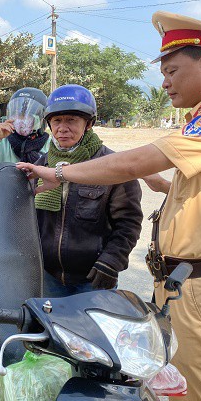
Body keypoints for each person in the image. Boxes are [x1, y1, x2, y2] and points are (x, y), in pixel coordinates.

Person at [18, 11, 201, 401]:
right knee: (185, 394)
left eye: (172, 70)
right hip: (179, 282)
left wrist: (61, 174)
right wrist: (169, 186)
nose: (165, 82)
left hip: (200, 285)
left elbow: (135, 161)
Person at [34, 84, 143, 297]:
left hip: (93, 278)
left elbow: (129, 223)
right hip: (47, 277)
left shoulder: (112, 168)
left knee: (91, 331)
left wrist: (111, 262)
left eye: (71, 120)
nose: (62, 128)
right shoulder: (40, 166)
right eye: (57, 120)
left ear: (89, 124)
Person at [0, 87, 51, 171]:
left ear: (41, 119)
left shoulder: (50, 145)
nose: (21, 120)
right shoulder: (2, 143)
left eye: (27, 116)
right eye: (17, 115)